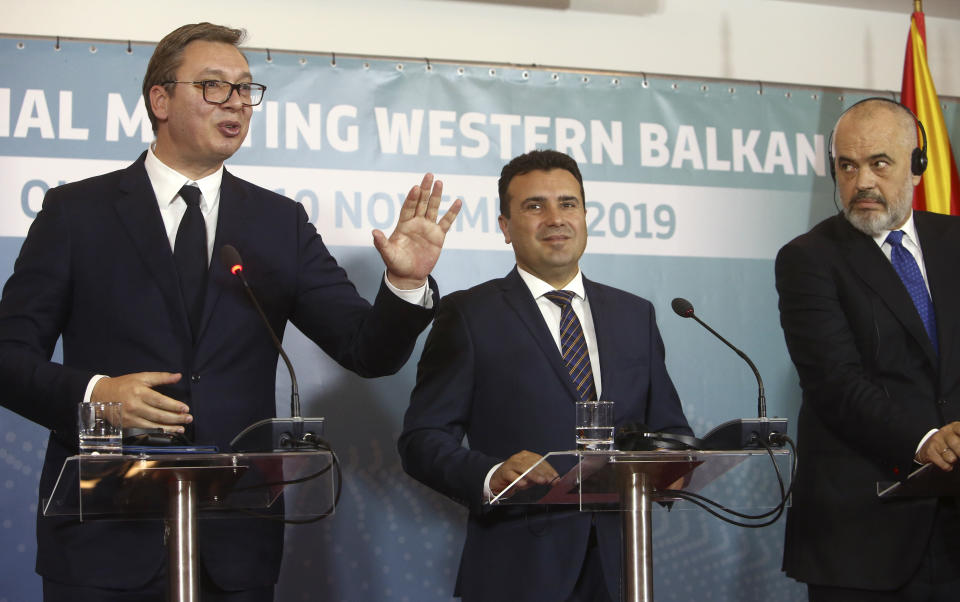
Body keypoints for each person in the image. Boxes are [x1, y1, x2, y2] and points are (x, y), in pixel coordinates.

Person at [0, 22, 461, 602]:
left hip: (234, 545)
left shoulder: (279, 224)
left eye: (246, 89)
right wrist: (95, 395)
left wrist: (404, 282)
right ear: (160, 100)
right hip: (103, 538)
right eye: (215, 87)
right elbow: (9, 357)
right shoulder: (75, 213)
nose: (237, 102)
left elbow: (366, 351)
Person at [398, 149, 691, 602]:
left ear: (585, 216)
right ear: (505, 226)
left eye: (568, 204)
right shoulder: (469, 314)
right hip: (517, 568)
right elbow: (422, 440)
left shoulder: (636, 314)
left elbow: (670, 430)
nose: (555, 218)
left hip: (622, 569)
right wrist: (491, 473)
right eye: (535, 206)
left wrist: (674, 467)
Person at [776, 97, 960, 601]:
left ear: (917, 165)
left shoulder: (955, 241)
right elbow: (834, 382)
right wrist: (926, 440)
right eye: (847, 166)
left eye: (880, 163)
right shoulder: (808, 258)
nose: (862, 183)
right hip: (863, 536)